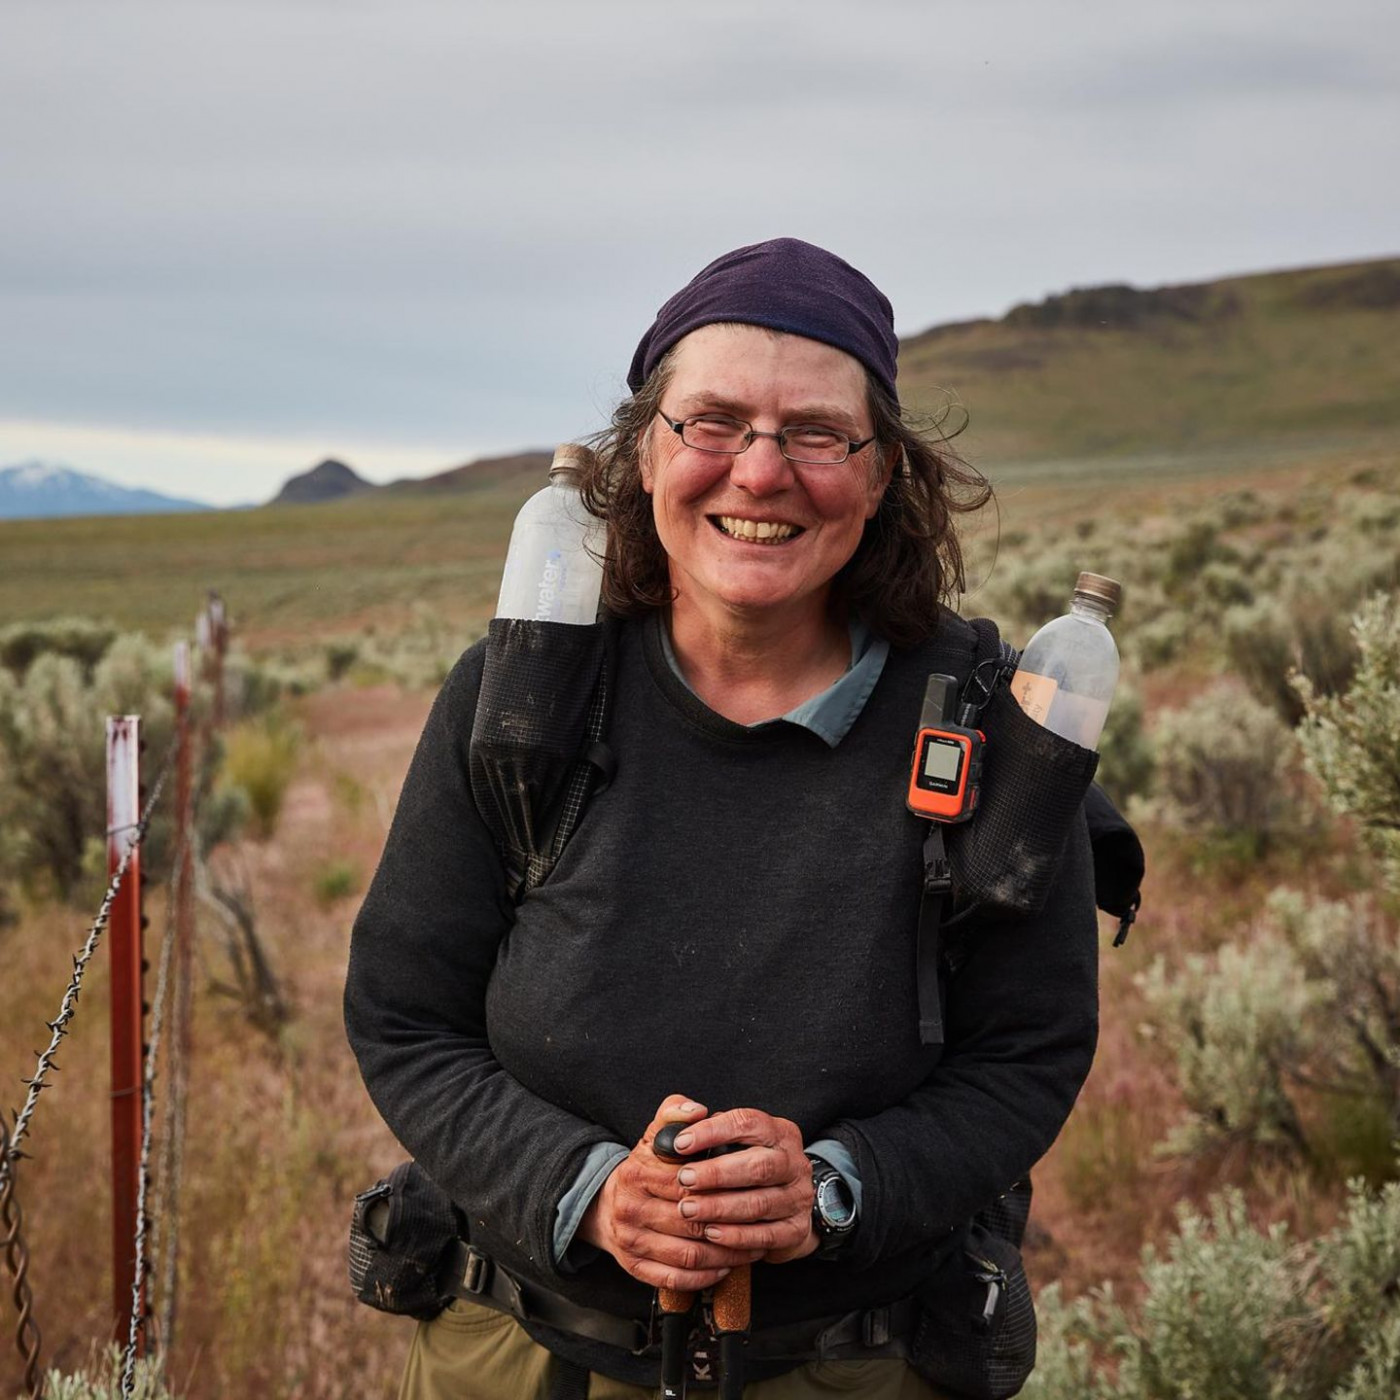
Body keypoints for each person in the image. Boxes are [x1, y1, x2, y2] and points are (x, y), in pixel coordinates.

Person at [344, 237, 1099, 1399]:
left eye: (813, 432)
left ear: (883, 468)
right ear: (643, 451)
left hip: (857, 1361)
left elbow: (1028, 1050)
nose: (757, 473)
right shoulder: (522, 703)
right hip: (524, 1353)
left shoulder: (987, 725)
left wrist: (837, 1186)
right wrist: (583, 1186)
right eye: (711, 422)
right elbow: (403, 1015)